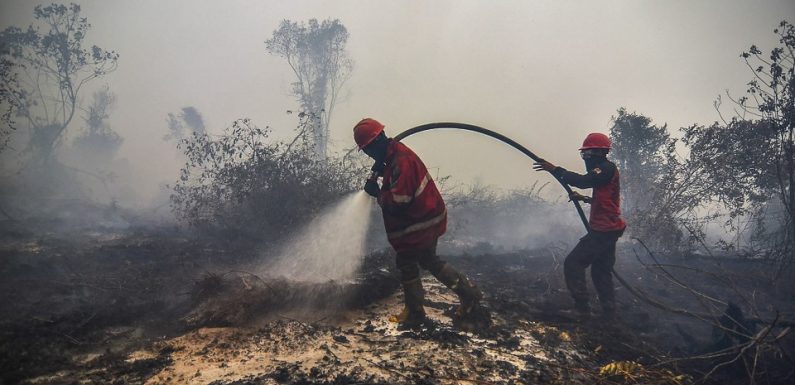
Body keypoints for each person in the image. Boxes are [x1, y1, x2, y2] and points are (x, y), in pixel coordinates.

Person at [353, 118, 485, 329]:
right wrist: (383, 169)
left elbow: (400, 201)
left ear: (377, 142)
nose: (369, 154)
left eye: (368, 150)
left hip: (423, 220)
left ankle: (421, 309)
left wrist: (377, 193)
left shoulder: (401, 161)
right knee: (421, 260)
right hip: (423, 217)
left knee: (417, 261)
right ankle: (455, 298)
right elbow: (400, 184)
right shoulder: (394, 156)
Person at [533, 133, 626, 318]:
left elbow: (583, 181)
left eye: (588, 153)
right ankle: (609, 313)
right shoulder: (604, 170)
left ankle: (582, 309)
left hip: (603, 230)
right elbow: (606, 199)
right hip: (609, 229)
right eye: (584, 154)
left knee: (573, 263)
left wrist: (555, 169)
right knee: (601, 271)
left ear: (599, 152)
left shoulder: (605, 168)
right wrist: (584, 198)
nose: (586, 157)